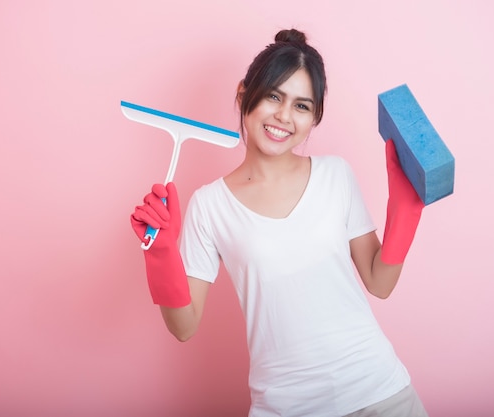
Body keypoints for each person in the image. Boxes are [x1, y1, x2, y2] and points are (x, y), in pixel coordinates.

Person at [131, 28, 428, 417]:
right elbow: (183, 327)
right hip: (286, 407)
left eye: (302, 106)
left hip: (381, 394)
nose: (284, 117)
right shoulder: (209, 205)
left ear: (314, 118)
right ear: (243, 95)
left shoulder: (335, 175)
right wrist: (161, 255)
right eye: (274, 96)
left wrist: (405, 211)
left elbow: (380, 281)